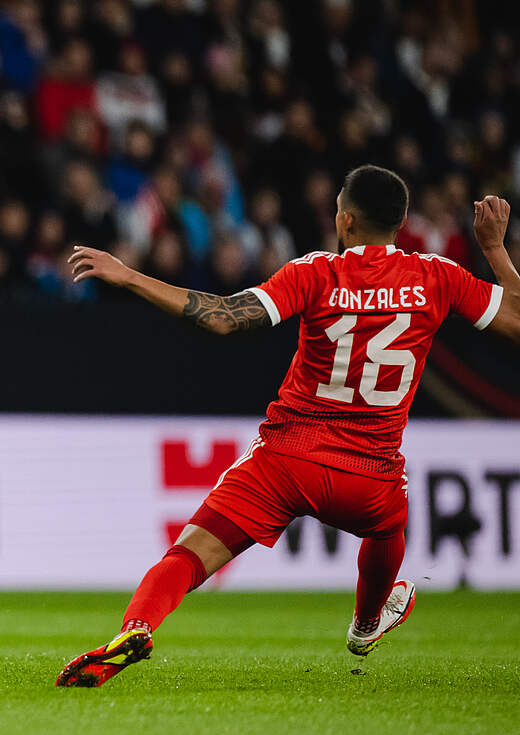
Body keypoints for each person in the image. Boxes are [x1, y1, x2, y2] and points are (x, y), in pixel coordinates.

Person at [58, 165, 520, 687]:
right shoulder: (439, 277)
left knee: (189, 556)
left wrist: (131, 276)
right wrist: (496, 250)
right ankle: (366, 625)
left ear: (344, 220)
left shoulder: (315, 273)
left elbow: (223, 316)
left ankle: (137, 628)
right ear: (404, 221)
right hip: (370, 476)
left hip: (286, 458)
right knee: (390, 524)